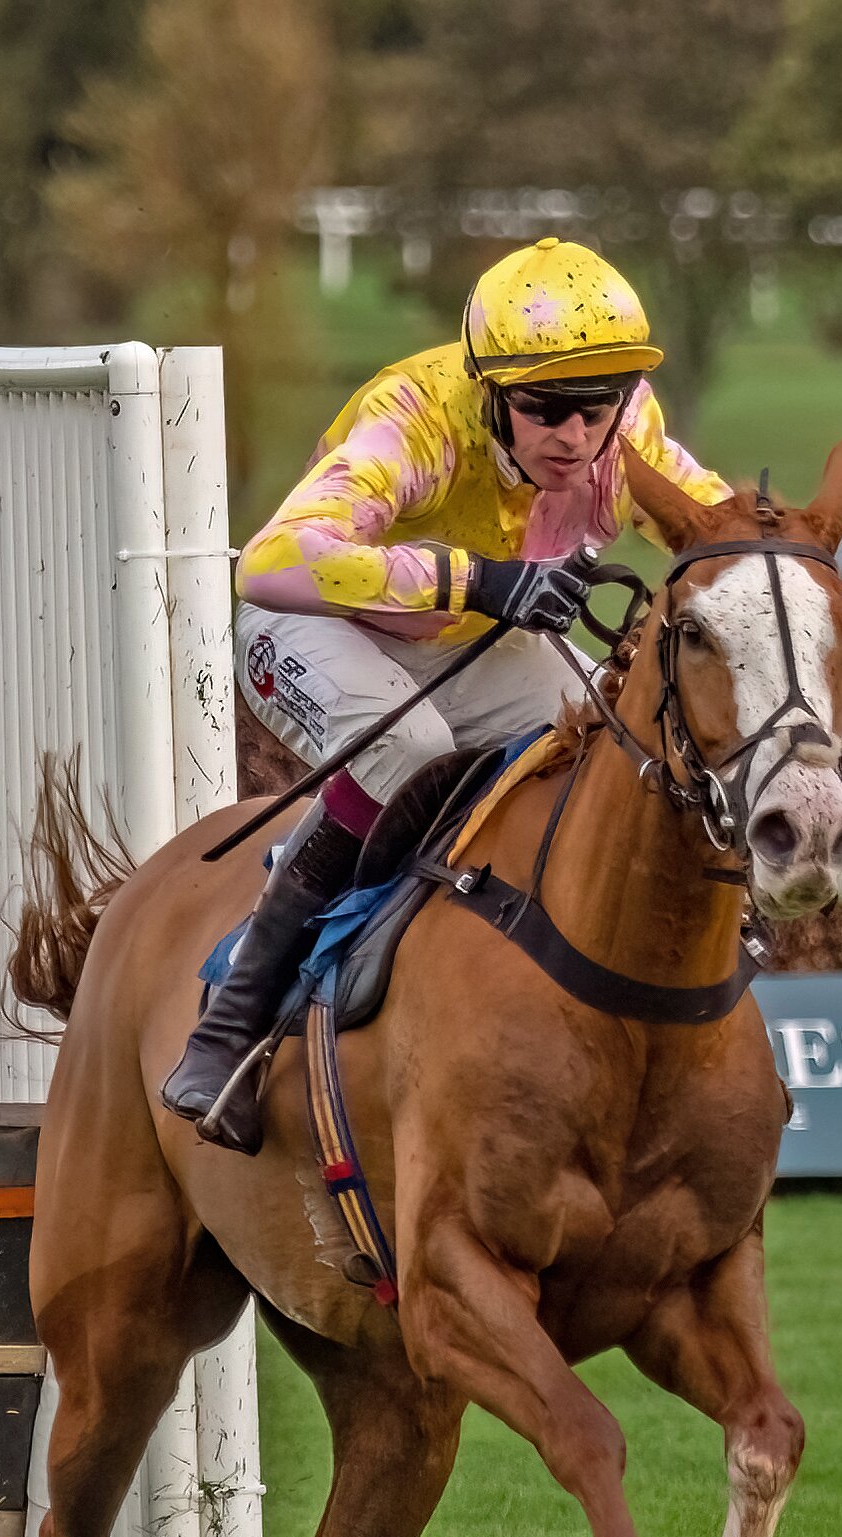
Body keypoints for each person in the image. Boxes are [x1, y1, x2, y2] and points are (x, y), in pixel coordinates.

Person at [162, 236, 733, 1152]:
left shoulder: (629, 428)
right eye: (544, 410)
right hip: (313, 625)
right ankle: (232, 1021)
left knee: (594, 740)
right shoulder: (417, 416)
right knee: (414, 748)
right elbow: (269, 562)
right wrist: (478, 580)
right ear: (490, 391)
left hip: (465, 639)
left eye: (596, 409)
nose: (575, 437)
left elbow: (714, 524)